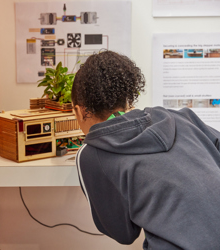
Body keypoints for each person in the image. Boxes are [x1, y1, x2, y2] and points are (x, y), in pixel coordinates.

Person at [71, 50, 220, 249]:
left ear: (80, 111)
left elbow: (123, 233)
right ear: (127, 100)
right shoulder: (178, 116)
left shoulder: (90, 154)